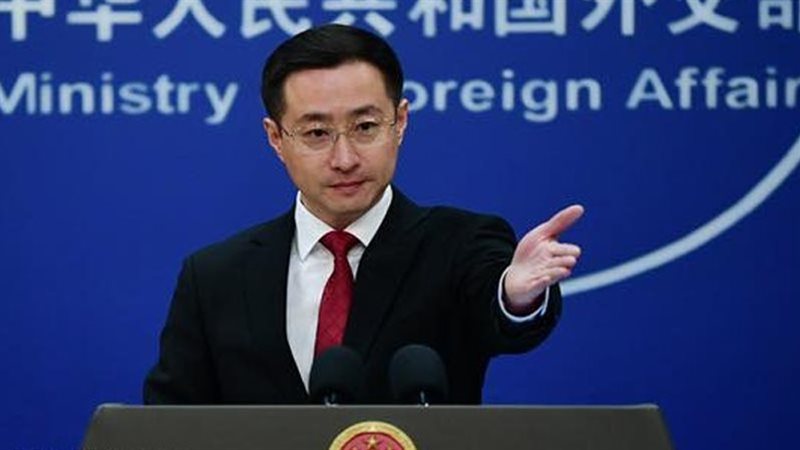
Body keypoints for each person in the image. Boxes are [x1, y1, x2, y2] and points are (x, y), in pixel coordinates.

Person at [143, 24, 583, 405]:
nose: (345, 158)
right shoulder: (214, 276)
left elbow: (501, 316)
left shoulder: (459, 244)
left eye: (366, 127)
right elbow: (170, 423)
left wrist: (515, 297)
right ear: (276, 138)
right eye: (317, 133)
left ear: (400, 121)